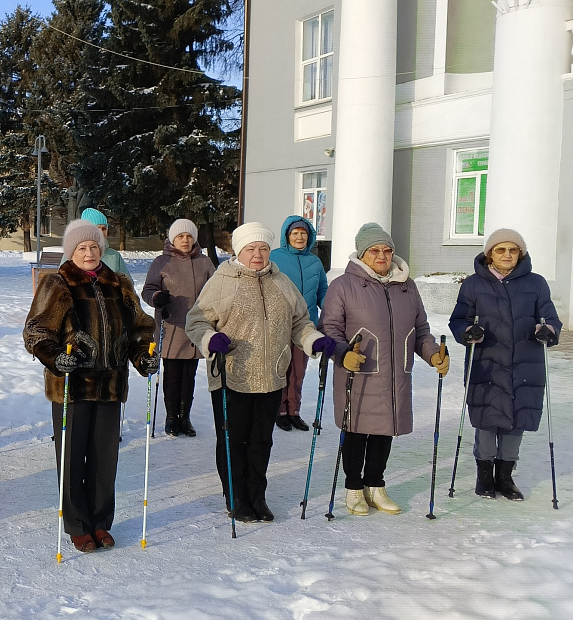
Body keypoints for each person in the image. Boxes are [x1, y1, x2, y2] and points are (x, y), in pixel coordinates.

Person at [185, 222, 334, 523]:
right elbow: (196, 321)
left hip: (271, 376)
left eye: (263, 248)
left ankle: (257, 496)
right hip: (232, 375)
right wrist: (209, 339)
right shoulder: (222, 281)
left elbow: (299, 322)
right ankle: (236, 497)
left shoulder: (281, 282)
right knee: (233, 441)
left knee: (261, 442)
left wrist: (313, 340)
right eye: (251, 248)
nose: (258, 254)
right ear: (239, 251)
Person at [24, 219, 157, 552]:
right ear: (71, 252)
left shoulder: (119, 283)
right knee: (72, 458)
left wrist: (143, 356)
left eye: (94, 246)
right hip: (72, 386)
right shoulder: (57, 283)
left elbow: (140, 330)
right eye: (82, 247)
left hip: (110, 385)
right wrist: (56, 357)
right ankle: (78, 525)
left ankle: (100, 522)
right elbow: (36, 332)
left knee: (104, 458)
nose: (89, 252)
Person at [319, 222, 448, 516]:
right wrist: (342, 354)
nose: (381, 256)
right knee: (356, 430)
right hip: (358, 373)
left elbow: (420, 330)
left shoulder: (406, 286)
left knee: (384, 430)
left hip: (395, 373)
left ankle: (375, 485)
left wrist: (433, 355)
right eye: (374, 250)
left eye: (387, 250)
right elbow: (329, 328)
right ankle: (354, 488)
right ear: (361, 253)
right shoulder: (343, 286)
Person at [449, 228, 561, 500]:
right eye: (501, 249)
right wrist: (468, 332)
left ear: (520, 254)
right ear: (490, 254)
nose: (507, 254)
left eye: (513, 250)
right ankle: (484, 477)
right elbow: (459, 319)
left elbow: (550, 317)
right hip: (486, 362)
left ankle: (505, 478)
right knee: (487, 420)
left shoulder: (536, 283)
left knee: (517, 419)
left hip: (525, 363)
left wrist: (547, 331)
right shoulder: (473, 284)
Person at [141, 218, 215, 436]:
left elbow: (216, 290)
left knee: (189, 376)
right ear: (173, 239)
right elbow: (148, 290)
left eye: (189, 236)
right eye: (180, 236)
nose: (185, 240)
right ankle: (172, 417)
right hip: (171, 326)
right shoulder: (161, 262)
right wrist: (157, 297)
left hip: (196, 326)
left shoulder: (204, 262)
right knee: (172, 375)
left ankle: (185, 417)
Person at [269, 216, 329, 432]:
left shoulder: (315, 262)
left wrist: (332, 309)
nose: (299, 237)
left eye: (303, 233)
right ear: (287, 236)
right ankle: (279, 411)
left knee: (298, 371)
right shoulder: (275, 258)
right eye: (295, 233)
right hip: (281, 323)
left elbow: (323, 291)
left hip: (306, 326)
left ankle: (293, 411)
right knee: (281, 368)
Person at [59, 208, 129, 275]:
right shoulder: (72, 254)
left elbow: (126, 281)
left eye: (104, 228)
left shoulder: (114, 256)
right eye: (97, 228)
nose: (101, 232)